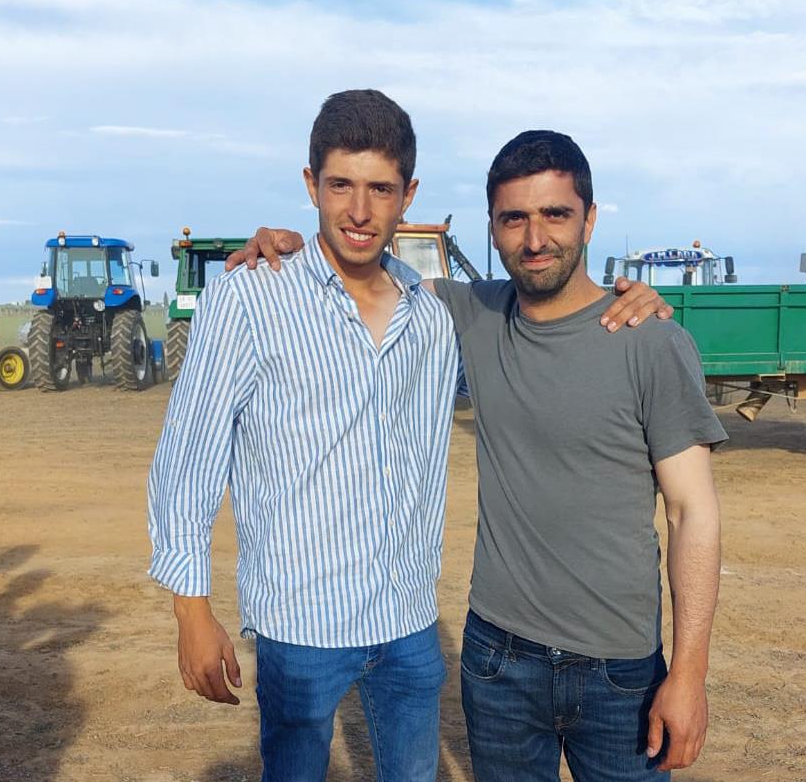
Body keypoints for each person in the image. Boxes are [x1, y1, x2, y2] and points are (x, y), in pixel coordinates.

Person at [148, 90, 668, 781]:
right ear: (311, 185)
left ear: (407, 195)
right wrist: (192, 611)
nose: (359, 212)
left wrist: (631, 297)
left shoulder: (434, 315)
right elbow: (188, 457)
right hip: (301, 630)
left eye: (380, 190)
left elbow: (548, 308)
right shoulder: (249, 298)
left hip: (408, 631)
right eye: (341, 185)